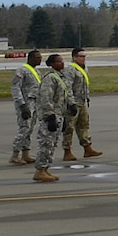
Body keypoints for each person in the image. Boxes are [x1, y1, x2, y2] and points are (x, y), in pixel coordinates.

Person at [30, 54, 71, 183]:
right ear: (52, 64)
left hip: (59, 115)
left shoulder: (60, 77)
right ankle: (40, 170)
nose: (62, 63)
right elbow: (46, 98)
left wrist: (64, 114)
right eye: (59, 62)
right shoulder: (50, 78)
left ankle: (46, 168)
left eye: (62, 61)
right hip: (51, 117)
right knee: (46, 143)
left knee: (52, 144)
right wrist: (50, 115)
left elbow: (62, 98)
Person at [63, 47, 100, 159]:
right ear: (74, 57)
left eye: (85, 56)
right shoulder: (70, 70)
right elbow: (67, 87)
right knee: (69, 127)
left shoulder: (84, 68)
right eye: (81, 56)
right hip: (73, 103)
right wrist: (71, 103)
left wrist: (86, 98)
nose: (84, 58)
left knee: (84, 125)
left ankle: (87, 148)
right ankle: (67, 151)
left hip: (82, 101)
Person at [8, 49, 40, 167]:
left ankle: (25, 153)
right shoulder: (22, 70)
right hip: (25, 103)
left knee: (30, 128)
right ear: (30, 58)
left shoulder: (36, 71)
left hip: (35, 102)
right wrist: (22, 105)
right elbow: (15, 88)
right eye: (37, 57)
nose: (39, 59)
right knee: (24, 128)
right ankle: (15, 154)